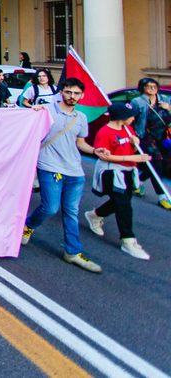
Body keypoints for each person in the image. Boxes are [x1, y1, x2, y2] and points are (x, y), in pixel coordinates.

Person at [21, 78, 103, 272]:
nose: (72, 96)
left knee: (71, 212)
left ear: (81, 95)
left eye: (76, 93)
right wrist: (33, 111)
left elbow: (80, 142)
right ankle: (28, 225)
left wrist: (95, 151)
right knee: (50, 207)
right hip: (49, 165)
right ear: (61, 92)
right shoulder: (47, 110)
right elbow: (29, 129)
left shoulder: (81, 117)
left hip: (74, 170)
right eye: (68, 92)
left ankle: (73, 252)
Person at [85, 102, 153, 260]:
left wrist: (135, 145)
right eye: (131, 116)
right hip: (112, 171)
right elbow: (104, 155)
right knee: (124, 206)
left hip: (128, 170)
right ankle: (128, 240)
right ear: (122, 117)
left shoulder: (127, 129)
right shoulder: (104, 132)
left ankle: (94, 215)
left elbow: (131, 149)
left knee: (122, 201)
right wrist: (132, 157)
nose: (133, 118)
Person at [131, 77, 171, 208]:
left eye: (154, 86)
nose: (152, 89)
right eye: (149, 86)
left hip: (163, 136)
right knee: (157, 162)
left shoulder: (165, 99)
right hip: (146, 136)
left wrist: (168, 108)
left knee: (163, 163)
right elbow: (131, 119)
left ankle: (139, 181)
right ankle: (162, 196)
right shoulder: (137, 102)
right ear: (142, 88)